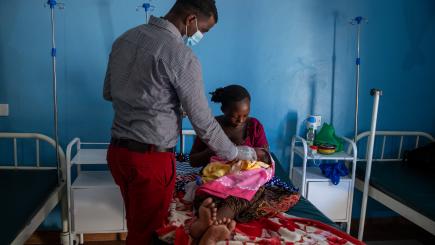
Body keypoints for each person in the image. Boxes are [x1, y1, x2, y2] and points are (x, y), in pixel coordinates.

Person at [103, 1, 257, 244]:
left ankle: (196, 231)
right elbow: (204, 123)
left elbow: (109, 92)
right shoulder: (180, 55)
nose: (200, 35)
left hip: (118, 154)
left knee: (136, 224)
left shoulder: (125, 39)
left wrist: (165, 104)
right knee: (150, 234)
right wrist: (234, 152)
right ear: (191, 19)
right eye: (204, 30)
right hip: (150, 160)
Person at [188, 85, 299, 241]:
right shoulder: (211, 127)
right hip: (216, 178)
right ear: (224, 108)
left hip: (245, 180)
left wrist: (251, 153)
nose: (240, 120)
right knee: (208, 196)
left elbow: (265, 158)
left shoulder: (254, 127)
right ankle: (212, 227)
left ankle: (205, 227)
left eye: (245, 115)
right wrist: (215, 149)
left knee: (240, 196)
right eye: (235, 116)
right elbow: (193, 161)